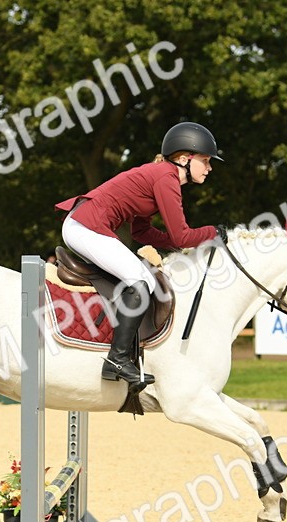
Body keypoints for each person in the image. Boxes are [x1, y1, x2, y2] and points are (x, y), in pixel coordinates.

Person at [55, 121, 223, 387]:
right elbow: (182, 235)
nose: (210, 167)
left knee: (143, 278)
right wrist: (212, 233)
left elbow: (141, 233)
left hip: (85, 225)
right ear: (183, 159)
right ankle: (116, 360)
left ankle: (123, 356)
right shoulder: (166, 178)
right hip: (86, 226)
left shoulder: (161, 175)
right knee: (139, 281)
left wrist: (181, 243)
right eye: (205, 160)